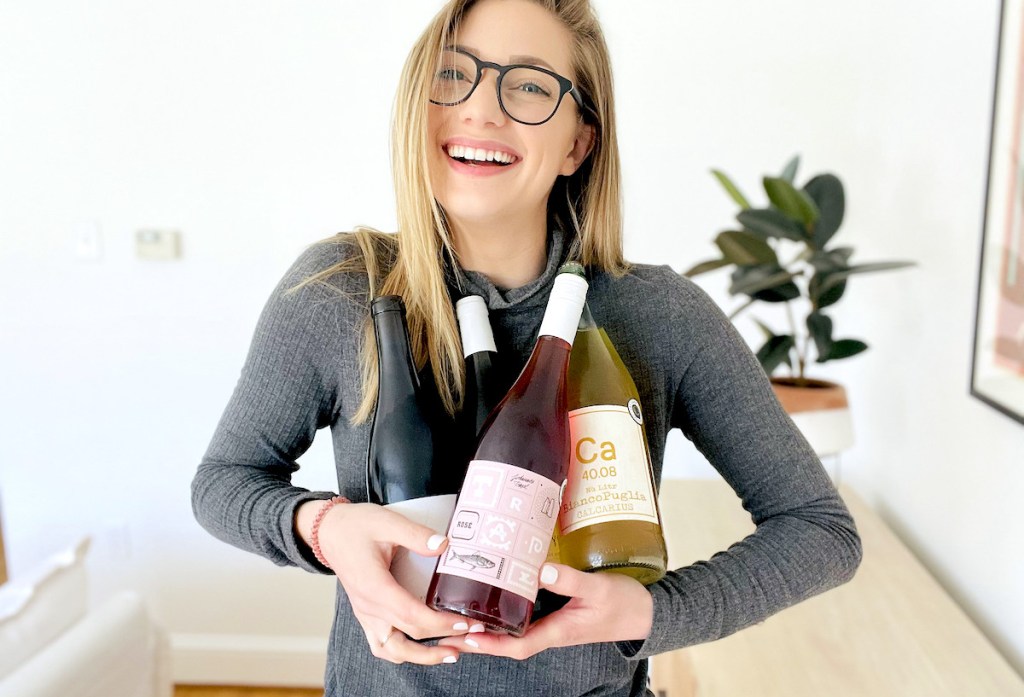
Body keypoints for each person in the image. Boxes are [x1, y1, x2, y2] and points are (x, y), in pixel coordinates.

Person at [191, 0, 863, 695]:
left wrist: (656, 611)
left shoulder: (658, 315)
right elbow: (224, 480)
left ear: (579, 143)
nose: (482, 110)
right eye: (454, 75)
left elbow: (820, 530)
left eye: (532, 86)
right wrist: (323, 527)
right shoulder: (339, 290)